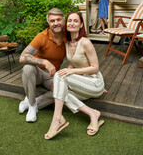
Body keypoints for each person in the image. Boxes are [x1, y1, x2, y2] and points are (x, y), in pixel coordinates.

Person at [45, 12, 105, 140]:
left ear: (81, 24)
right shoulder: (68, 43)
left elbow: (95, 67)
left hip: (94, 82)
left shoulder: (85, 42)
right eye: (69, 21)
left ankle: (57, 119)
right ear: (66, 25)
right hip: (82, 82)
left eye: (76, 21)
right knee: (61, 90)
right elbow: (72, 62)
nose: (72, 23)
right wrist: (65, 73)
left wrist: (70, 72)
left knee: (60, 75)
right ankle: (92, 113)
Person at [19, 8, 66, 122]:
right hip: (37, 73)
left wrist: (91, 79)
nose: (56, 23)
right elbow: (23, 57)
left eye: (58, 19)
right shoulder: (42, 36)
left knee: (64, 89)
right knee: (27, 68)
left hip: (52, 75)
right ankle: (31, 106)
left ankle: (34, 102)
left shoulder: (69, 37)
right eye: (52, 21)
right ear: (48, 23)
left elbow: (78, 58)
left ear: (64, 21)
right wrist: (44, 62)